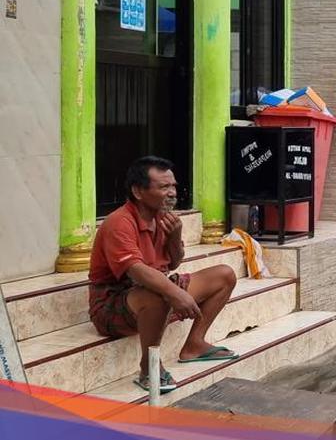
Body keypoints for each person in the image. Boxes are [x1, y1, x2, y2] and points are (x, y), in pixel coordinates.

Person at [89, 156, 238, 393]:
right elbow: (136, 272)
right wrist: (175, 293)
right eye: (164, 187)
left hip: (150, 290)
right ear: (138, 191)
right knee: (160, 294)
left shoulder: (163, 217)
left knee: (224, 275)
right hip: (112, 304)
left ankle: (194, 345)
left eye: (174, 186)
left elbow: (175, 262)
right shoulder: (119, 222)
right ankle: (149, 369)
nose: (172, 193)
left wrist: (175, 237)